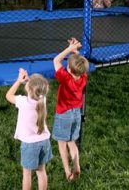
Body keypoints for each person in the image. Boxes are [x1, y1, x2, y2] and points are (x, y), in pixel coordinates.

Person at [6, 68, 52, 190]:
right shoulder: (43, 100)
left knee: (27, 174)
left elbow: (8, 95)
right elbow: (36, 90)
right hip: (44, 142)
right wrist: (28, 81)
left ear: (29, 89)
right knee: (41, 171)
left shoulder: (22, 101)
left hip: (30, 145)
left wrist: (18, 81)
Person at [52, 38, 89, 182]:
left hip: (64, 114)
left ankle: (67, 171)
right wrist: (75, 51)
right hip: (76, 114)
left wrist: (69, 49)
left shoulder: (65, 78)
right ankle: (77, 165)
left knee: (62, 143)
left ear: (68, 68)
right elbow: (81, 64)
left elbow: (56, 60)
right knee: (72, 142)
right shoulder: (83, 77)